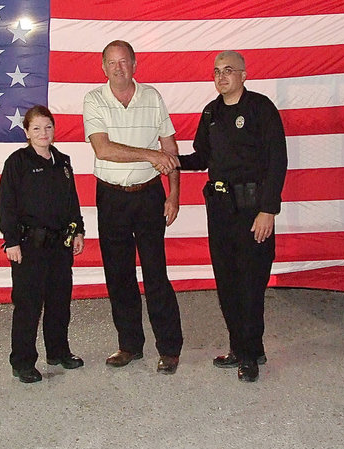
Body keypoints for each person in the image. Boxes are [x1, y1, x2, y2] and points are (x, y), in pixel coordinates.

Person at [176, 50, 287, 382]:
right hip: (221, 209)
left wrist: (268, 210)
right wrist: (169, 159)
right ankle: (241, 347)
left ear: (243, 74)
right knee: (227, 283)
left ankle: (251, 353)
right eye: (216, 71)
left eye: (228, 70)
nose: (221, 76)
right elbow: (201, 157)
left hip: (254, 209)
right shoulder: (211, 113)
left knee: (251, 283)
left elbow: (277, 161)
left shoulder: (261, 108)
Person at [82, 40, 184, 375]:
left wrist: (174, 194)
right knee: (119, 274)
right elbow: (103, 149)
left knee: (156, 273)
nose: (118, 68)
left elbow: (170, 146)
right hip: (111, 197)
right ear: (102, 67)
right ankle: (130, 345)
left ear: (135, 64)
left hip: (149, 196)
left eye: (124, 61)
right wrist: (151, 155)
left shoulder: (152, 97)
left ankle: (169, 348)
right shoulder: (94, 100)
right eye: (111, 62)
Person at [0, 105, 86, 383]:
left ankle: (58, 351)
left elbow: (72, 200)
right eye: (36, 128)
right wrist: (10, 240)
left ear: (54, 130)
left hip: (59, 245)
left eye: (48, 127)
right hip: (29, 246)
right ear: (26, 132)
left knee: (60, 302)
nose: (43, 133)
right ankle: (22, 362)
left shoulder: (63, 161)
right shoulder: (18, 162)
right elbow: (6, 204)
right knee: (28, 305)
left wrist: (79, 230)